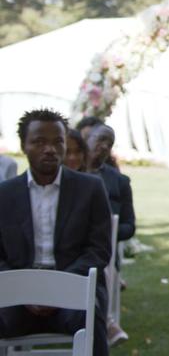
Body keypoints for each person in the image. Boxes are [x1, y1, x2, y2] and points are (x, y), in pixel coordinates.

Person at [0, 109, 112, 356]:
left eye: (57, 141)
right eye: (39, 141)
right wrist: (25, 289)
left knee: (91, 318)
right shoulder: (4, 194)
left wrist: (57, 289)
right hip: (17, 298)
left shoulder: (90, 188)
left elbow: (99, 250)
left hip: (74, 294)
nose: (50, 148)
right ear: (23, 145)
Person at [85, 124, 134, 346]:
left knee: (102, 263)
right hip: (71, 245)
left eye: (110, 143)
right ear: (88, 138)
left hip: (104, 247)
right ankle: (108, 324)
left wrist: (108, 231)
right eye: (101, 139)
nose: (104, 146)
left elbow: (129, 226)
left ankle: (106, 322)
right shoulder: (71, 174)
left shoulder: (119, 182)